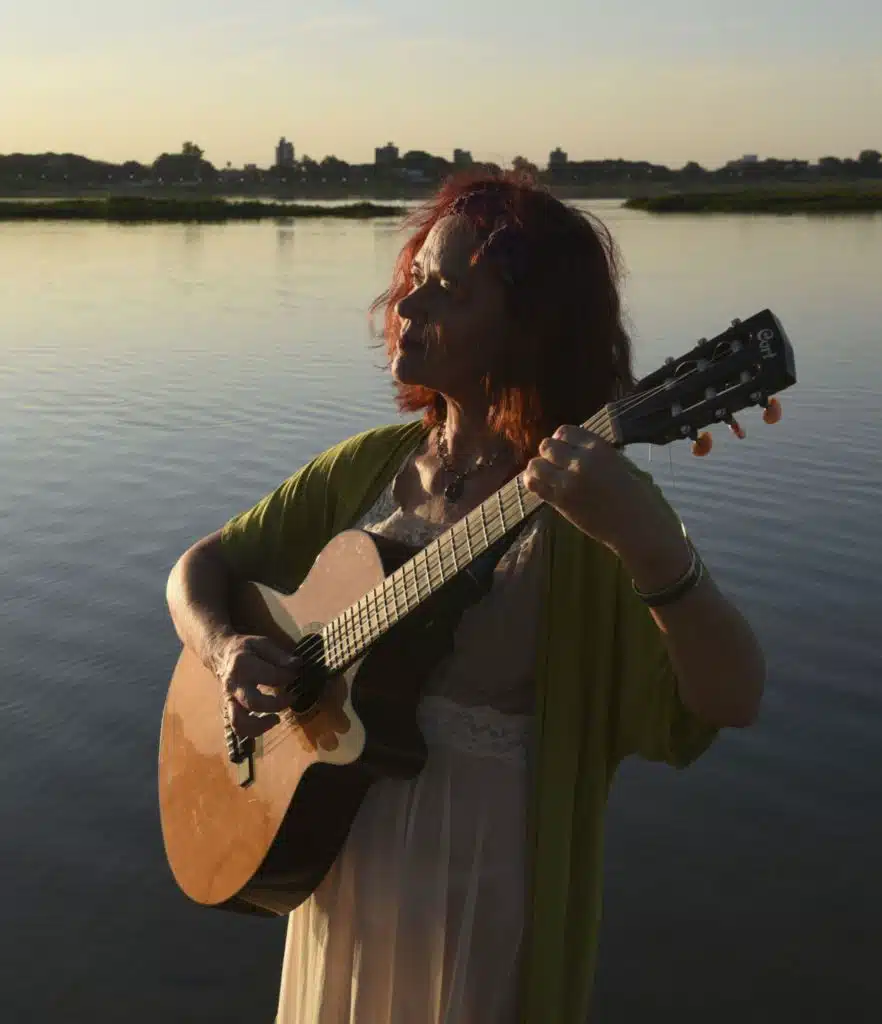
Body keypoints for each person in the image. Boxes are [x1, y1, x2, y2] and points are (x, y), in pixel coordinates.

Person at [165, 173, 769, 1024]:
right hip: (341, 862)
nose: (404, 307)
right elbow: (197, 570)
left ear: (528, 327)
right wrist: (226, 648)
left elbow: (733, 698)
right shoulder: (367, 467)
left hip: (483, 887)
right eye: (414, 279)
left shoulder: (594, 503)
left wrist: (651, 547)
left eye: (447, 291)